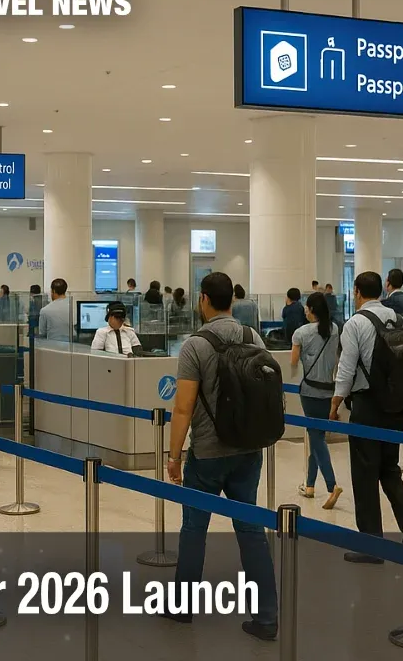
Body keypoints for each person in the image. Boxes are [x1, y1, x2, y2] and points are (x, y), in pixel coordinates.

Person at [166, 272, 277, 640]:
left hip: (209, 454)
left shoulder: (195, 346)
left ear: (203, 300)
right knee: (250, 529)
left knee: (194, 529)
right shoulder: (253, 337)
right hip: (248, 451)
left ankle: (182, 609)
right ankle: (266, 617)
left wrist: (174, 456)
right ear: (232, 300)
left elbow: (182, 409)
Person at [329, 271, 403, 562]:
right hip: (395, 405)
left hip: (367, 405)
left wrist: (336, 401)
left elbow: (346, 367)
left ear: (356, 292)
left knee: (365, 473)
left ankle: (372, 544)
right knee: (389, 467)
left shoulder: (356, 323)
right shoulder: (401, 321)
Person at [290, 292, 343, 509]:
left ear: (312, 310)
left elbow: (293, 362)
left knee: (317, 438)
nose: (304, 310)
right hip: (328, 391)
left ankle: (332, 486)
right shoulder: (334, 329)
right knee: (316, 436)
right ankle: (310, 485)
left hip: (310, 392)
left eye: (306, 307)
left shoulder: (300, 333)